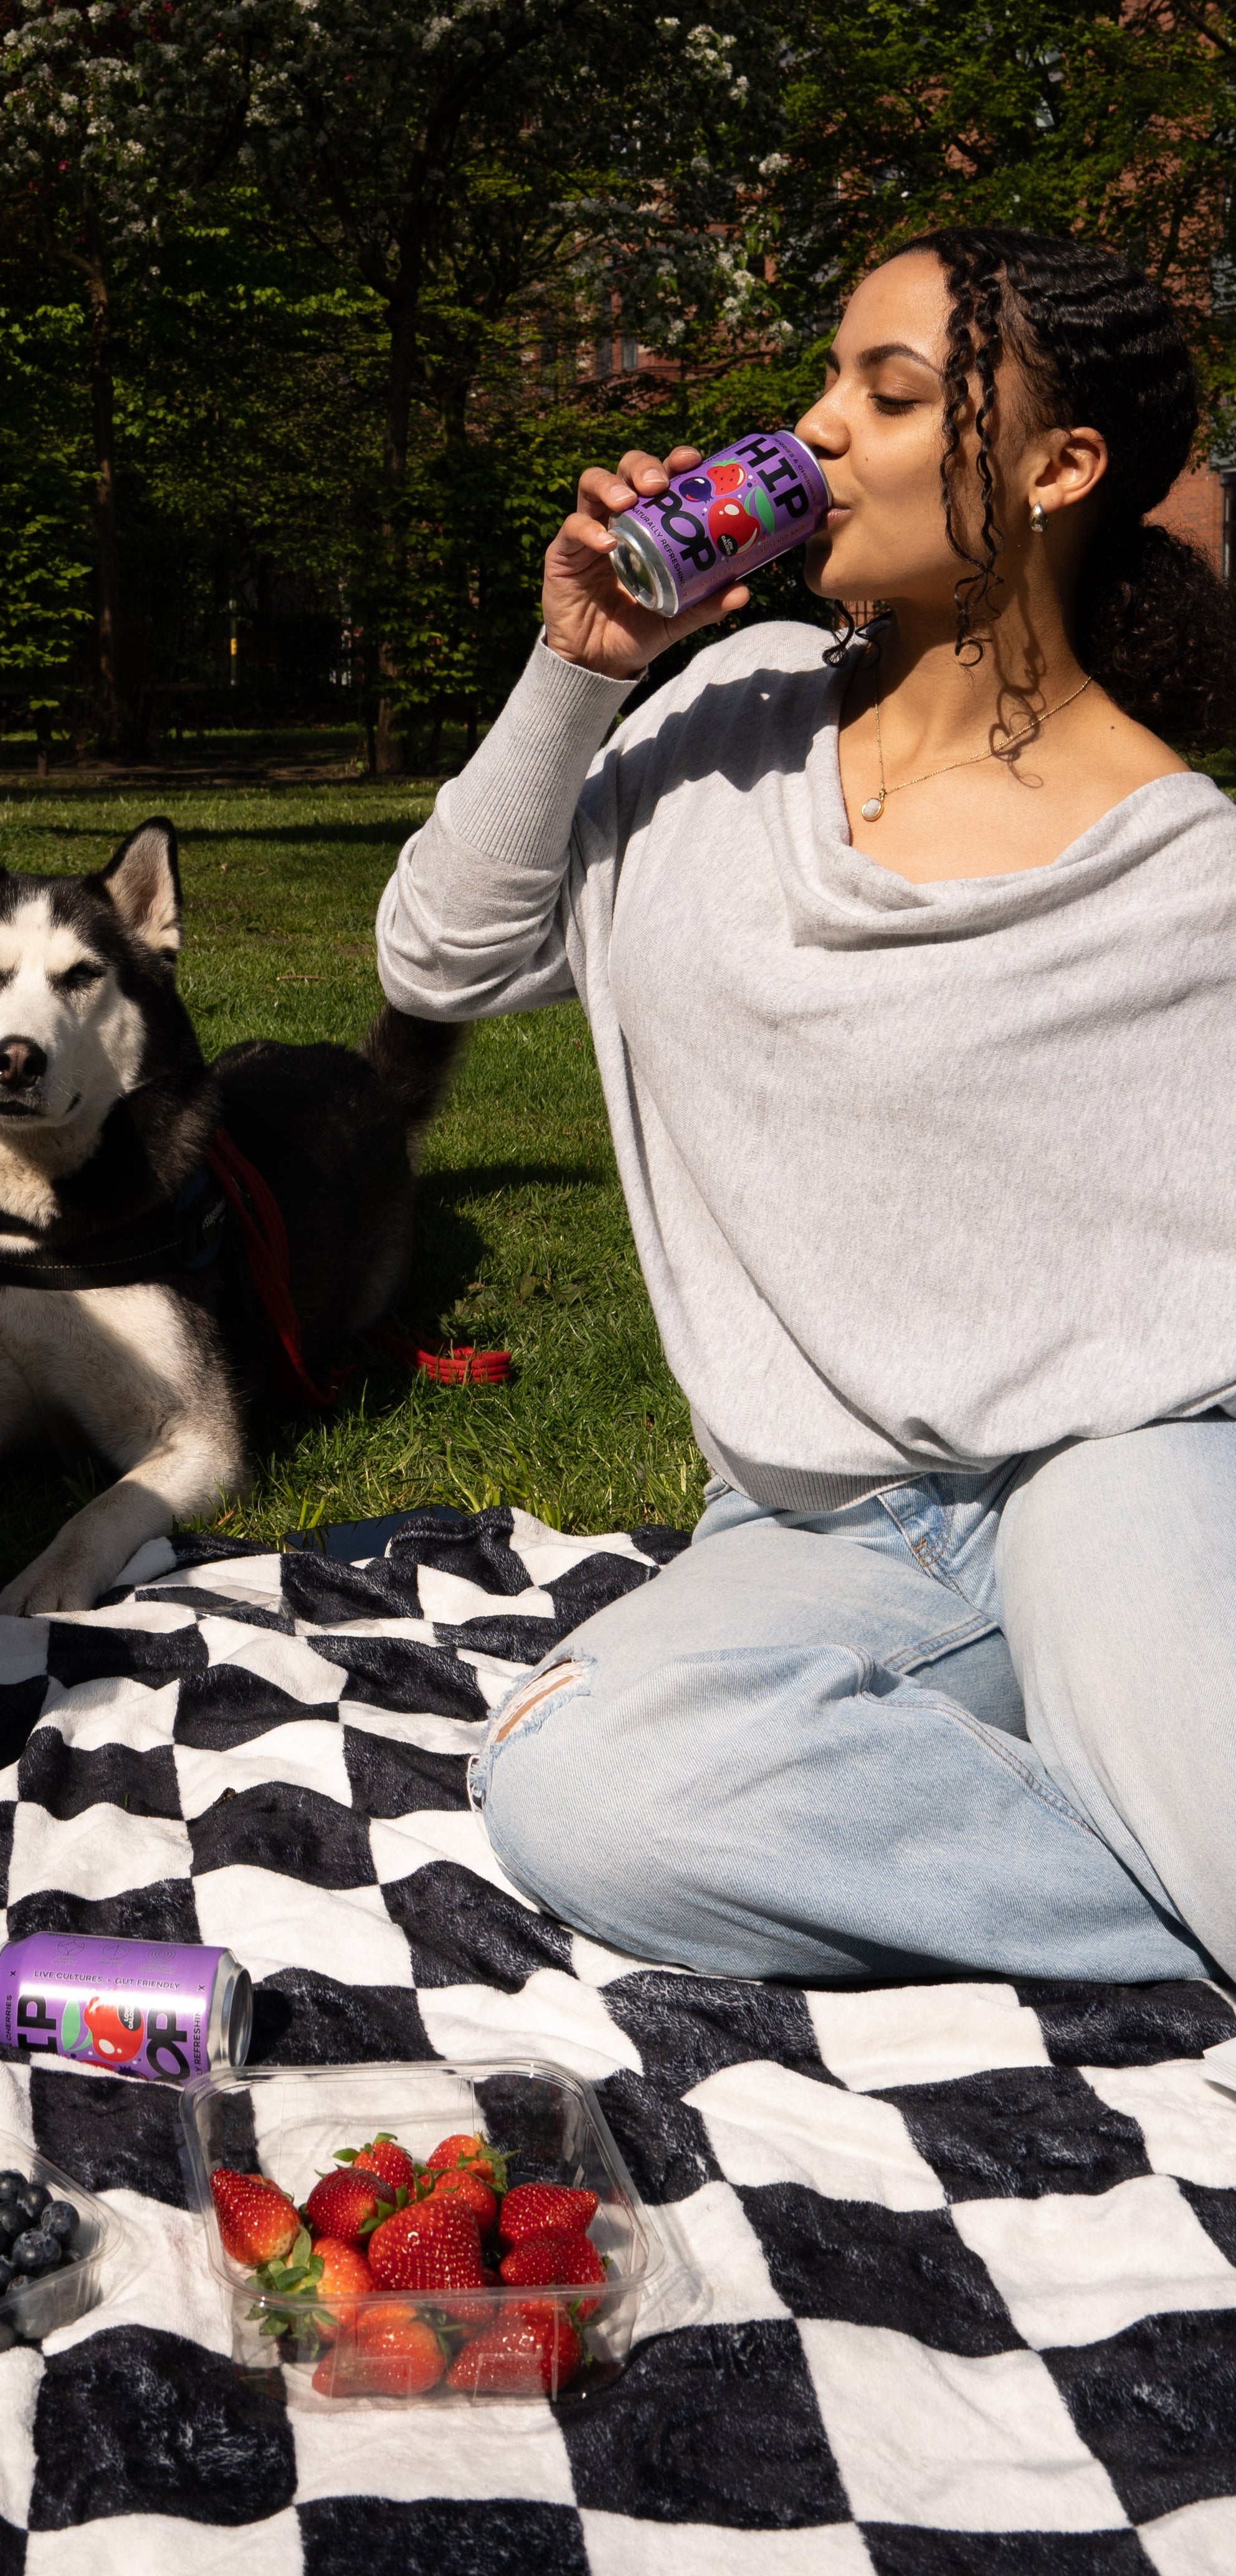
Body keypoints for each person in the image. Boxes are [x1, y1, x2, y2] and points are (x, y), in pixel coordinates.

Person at [376, 227, 1236, 1985]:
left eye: (892, 392)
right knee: (588, 1790)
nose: (819, 429)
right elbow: (442, 957)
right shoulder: (721, 723)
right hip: (820, 1527)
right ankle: (1154, 1876)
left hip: (1125, 1478)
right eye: (828, 378)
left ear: (1064, 469)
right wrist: (582, 662)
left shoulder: (1187, 880)